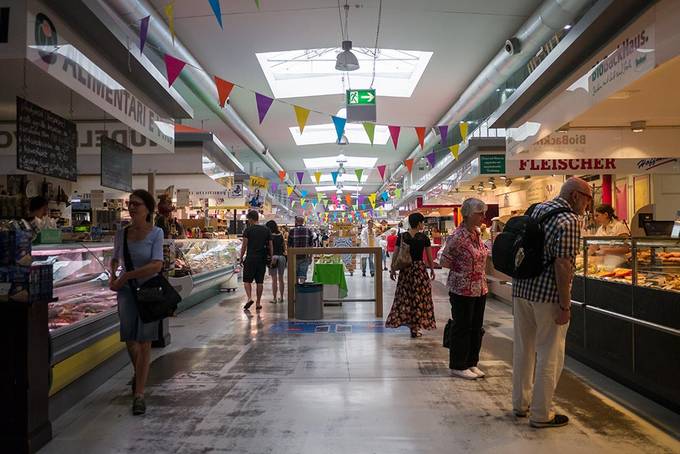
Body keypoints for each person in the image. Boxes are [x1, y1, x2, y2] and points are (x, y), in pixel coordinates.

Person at [512, 177, 592, 429]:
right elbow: (563, 264)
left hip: (522, 289)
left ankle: (520, 403)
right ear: (576, 196)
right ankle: (541, 413)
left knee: (524, 349)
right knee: (550, 354)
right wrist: (565, 305)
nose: (589, 206)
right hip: (547, 296)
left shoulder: (538, 208)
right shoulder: (569, 220)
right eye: (588, 199)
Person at [109, 189, 164, 416]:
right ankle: (139, 372)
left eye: (137, 204)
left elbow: (157, 265)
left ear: (148, 209)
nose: (132, 208)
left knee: (144, 342)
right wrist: (112, 275)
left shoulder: (156, 233)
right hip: (126, 293)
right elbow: (114, 258)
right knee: (130, 339)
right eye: (130, 204)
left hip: (148, 291)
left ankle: (139, 394)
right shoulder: (121, 234)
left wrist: (126, 276)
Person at [440, 198, 489, 380]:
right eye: (479, 213)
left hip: (480, 288)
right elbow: (444, 260)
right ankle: (458, 364)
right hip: (462, 289)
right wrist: (463, 271)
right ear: (467, 214)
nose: (483, 216)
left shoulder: (477, 234)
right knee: (462, 326)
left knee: (476, 326)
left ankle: (471, 362)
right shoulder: (457, 237)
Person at [386, 212, 437, 338]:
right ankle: (416, 326)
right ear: (419, 223)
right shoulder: (423, 238)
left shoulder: (402, 236)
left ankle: (409, 324)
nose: (423, 225)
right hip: (419, 271)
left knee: (406, 297)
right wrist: (432, 269)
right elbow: (430, 257)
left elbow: (396, 254)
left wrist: (393, 269)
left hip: (406, 271)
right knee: (420, 298)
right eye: (422, 222)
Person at [240, 210, 273, 312]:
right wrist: (271, 257)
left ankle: (250, 298)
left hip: (250, 258)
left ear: (250, 219)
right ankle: (258, 302)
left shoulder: (248, 230)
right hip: (262, 259)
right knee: (260, 282)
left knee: (247, 280)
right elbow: (270, 245)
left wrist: (241, 257)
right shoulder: (266, 230)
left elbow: (244, 245)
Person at [266, 220, 286, 304]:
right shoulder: (281, 235)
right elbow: (284, 246)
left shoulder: (269, 236)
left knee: (274, 279)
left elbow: (269, 248)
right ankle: (281, 297)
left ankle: (274, 298)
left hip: (273, 257)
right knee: (281, 278)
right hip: (282, 257)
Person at [288, 216, 313, 283]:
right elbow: (311, 246)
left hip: (294, 257)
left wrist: (289, 258)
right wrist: (311, 257)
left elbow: (289, 246)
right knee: (303, 276)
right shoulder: (308, 231)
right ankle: (302, 291)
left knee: (295, 276)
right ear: (303, 222)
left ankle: (296, 291)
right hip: (305, 256)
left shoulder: (292, 231)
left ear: (296, 222)